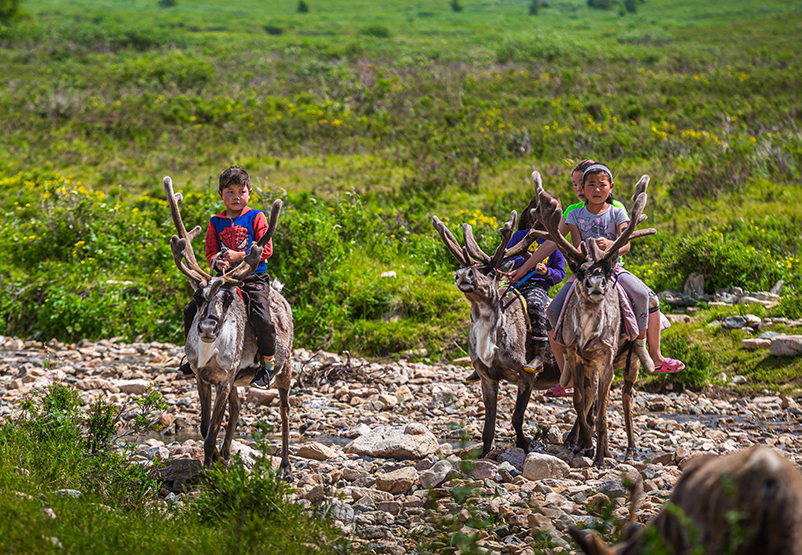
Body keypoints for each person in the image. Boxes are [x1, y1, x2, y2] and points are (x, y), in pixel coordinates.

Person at [544, 162, 685, 394]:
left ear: (611, 187)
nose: (596, 190)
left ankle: (650, 351)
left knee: (646, 296)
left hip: (612, 269)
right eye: (590, 185)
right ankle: (566, 370)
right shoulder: (575, 214)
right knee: (551, 312)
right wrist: (582, 251)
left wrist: (611, 245)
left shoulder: (617, 212)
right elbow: (578, 244)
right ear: (582, 187)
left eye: (602, 185)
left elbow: (626, 244)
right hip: (585, 272)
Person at [177, 166, 277, 388]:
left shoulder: (256, 217)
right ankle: (190, 356)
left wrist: (240, 256)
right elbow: (211, 251)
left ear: (249, 192)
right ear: (220, 195)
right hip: (222, 281)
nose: (236, 197)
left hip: (252, 278)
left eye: (241, 191)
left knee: (262, 317)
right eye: (229, 192)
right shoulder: (215, 222)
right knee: (191, 310)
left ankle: (267, 365)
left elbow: (266, 249)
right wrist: (217, 261)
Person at [464, 201, 566, 384]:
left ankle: (538, 356)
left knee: (535, 306)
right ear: (534, 215)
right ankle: (480, 361)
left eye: (555, 213)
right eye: (545, 212)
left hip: (537, 286)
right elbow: (508, 256)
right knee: (484, 307)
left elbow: (560, 273)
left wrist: (547, 272)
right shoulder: (519, 236)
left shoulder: (555, 241)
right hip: (516, 284)